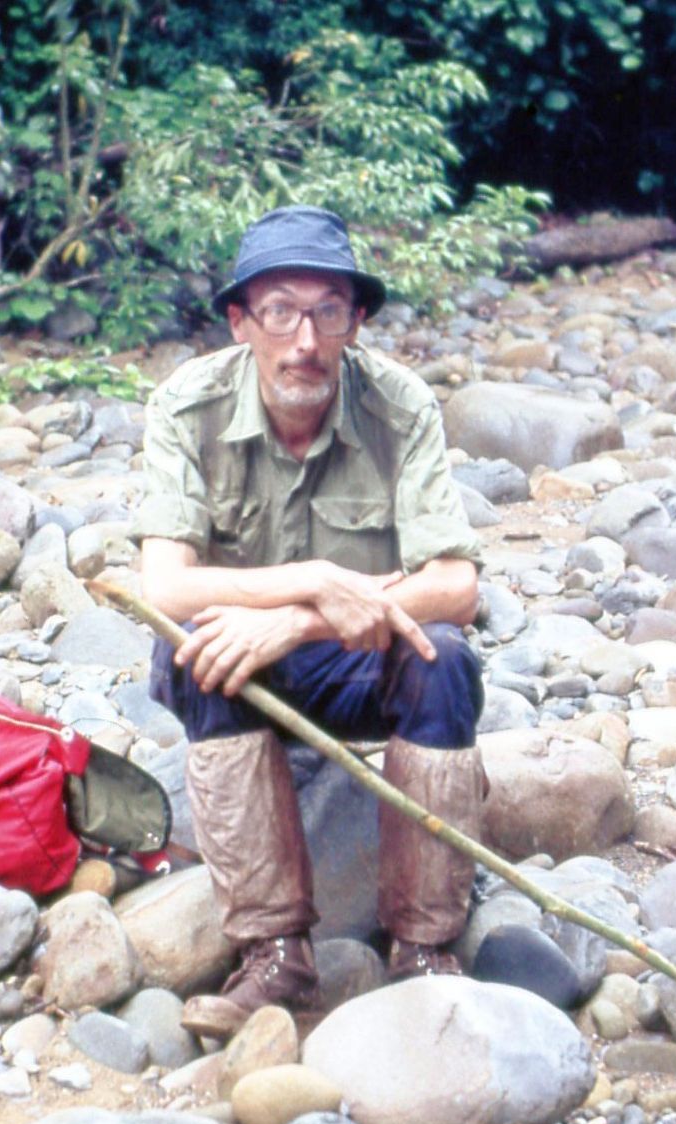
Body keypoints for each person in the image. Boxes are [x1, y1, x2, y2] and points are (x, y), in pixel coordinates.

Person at [131, 205, 486, 1041]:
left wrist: (297, 620)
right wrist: (323, 582)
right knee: (192, 650)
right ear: (239, 321)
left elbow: (458, 585)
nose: (305, 341)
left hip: (355, 662)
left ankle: (424, 946)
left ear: (355, 323)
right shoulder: (188, 406)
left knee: (445, 656)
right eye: (280, 310)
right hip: (246, 676)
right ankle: (275, 952)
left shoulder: (398, 404)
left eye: (329, 312)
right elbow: (164, 588)